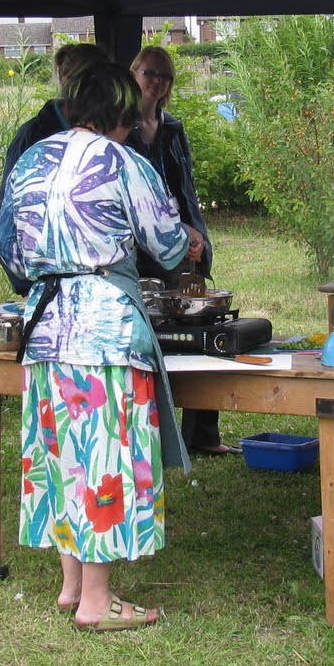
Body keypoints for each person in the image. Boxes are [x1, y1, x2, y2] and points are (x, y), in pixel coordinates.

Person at [0, 61, 200, 631]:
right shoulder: (123, 161)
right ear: (121, 115)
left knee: (62, 454)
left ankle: (71, 587)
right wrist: (187, 239)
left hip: (43, 326)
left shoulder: (31, 161)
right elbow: (167, 245)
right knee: (103, 458)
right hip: (105, 328)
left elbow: (9, 250)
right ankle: (97, 601)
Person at [126, 45, 229, 456]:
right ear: (133, 74)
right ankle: (149, 432)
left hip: (183, 240)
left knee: (203, 328)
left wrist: (197, 236)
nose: (156, 81)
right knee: (153, 336)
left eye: (164, 75)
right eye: (149, 72)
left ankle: (203, 434)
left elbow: (185, 189)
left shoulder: (173, 127)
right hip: (138, 249)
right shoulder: (120, 128)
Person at [0, 42, 110, 294]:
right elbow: (7, 224)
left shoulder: (109, 134)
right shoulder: (33, 136)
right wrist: (31, 285)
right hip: (46, 287)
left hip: (101, 287)